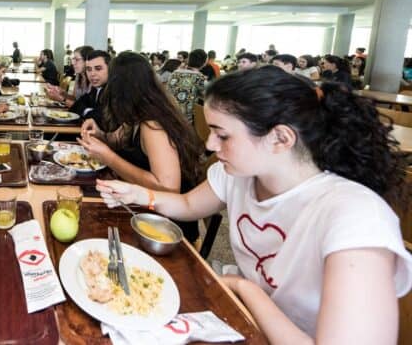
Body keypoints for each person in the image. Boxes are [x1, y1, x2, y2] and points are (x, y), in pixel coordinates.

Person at [97, 66, 411, 343]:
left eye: (222, 135)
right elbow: (189, 205)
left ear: (281, 138)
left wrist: (245, 288)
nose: (209, 144)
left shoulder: (356, 217)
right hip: (248, 323)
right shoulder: (239, 175)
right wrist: (139, 195)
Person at [77, 53, 202, 241]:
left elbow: (169, 189)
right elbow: (116, 139)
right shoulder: (136, 113)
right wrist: (99, 134)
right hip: (140, 207)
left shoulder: (153, 125)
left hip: (166, 227)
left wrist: (109, 158)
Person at [166, 48, 207, 124]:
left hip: (168, 113)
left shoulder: (175, 73)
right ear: (204, 63)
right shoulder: (199, 77)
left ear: (188, 60)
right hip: (184, 120)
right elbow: (207, 96)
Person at [69, 49, 110, 122]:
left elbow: (101, 119)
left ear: (110, 68)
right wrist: (89, 111)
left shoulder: (114, 90)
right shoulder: (95, 89)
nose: (92, 74)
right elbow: (75, 107)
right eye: (89, 69)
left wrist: (84, 111)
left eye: (98, 69)